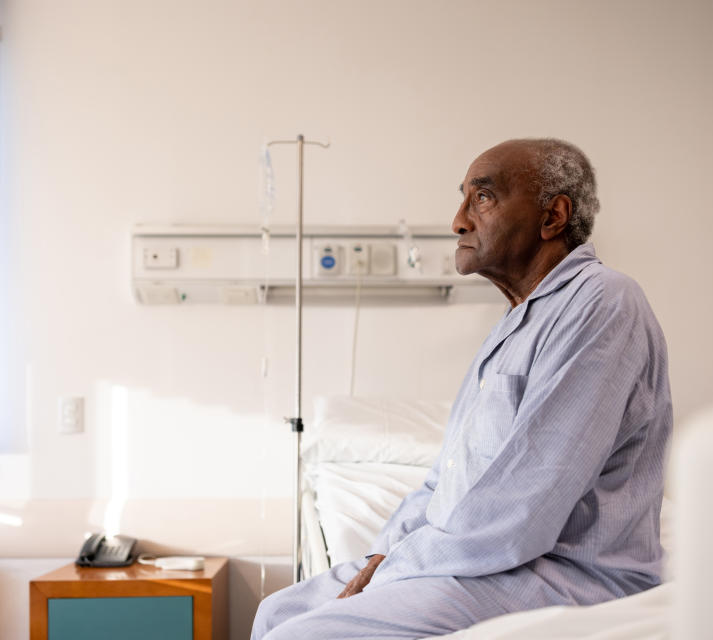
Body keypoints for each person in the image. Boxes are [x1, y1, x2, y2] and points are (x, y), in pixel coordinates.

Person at [251, 138, 672, 640]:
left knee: (301, 637)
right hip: (484, 563)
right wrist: (384, 554)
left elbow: (525, 502)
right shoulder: (514, 325)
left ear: (553, 216)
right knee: (276, 613)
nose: (458, 221)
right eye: (463, 199)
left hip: (564, 575)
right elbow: (442, 484)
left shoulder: (603, 303)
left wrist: (398, 569)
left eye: (483, 198)